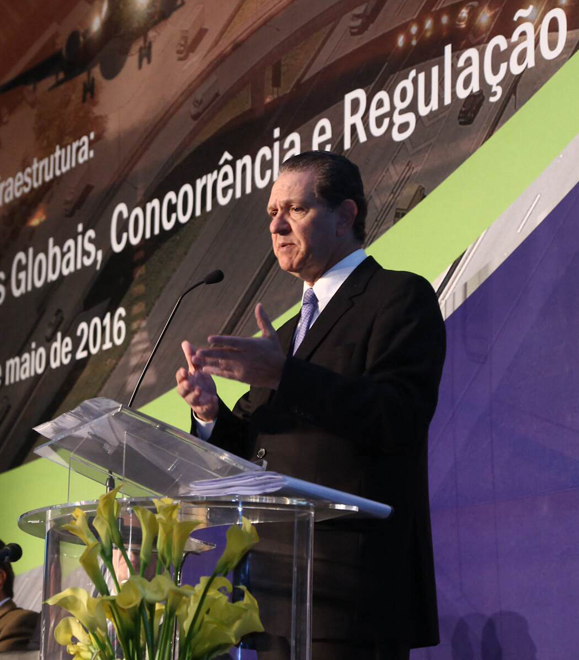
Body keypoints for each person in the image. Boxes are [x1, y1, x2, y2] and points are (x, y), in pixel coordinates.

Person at [176, 151, 445, 660]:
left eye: (294, 209)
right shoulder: (287, 333)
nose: (276, 225)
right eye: (271, 213)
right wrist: (210, 414)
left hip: (351, 590)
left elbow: (397, 416)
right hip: (274, 593)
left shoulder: (398, 297)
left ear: (345, 216)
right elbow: (257, 450)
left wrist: (284, 374)